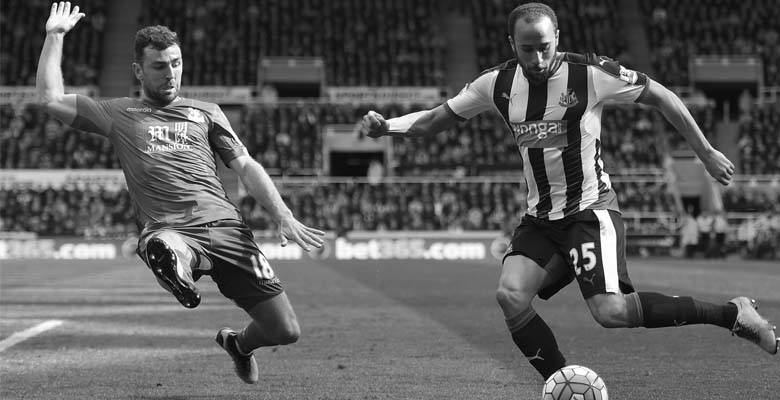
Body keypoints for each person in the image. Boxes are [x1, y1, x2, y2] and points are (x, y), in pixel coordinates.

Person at [362, 2, 778, 380]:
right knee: (510, 295)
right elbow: (436, 119)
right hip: (541, 219)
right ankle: (563, 384)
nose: (537, 57)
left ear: (557, 38)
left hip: (589, 211)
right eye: (527, 49)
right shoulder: (496, 84)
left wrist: (704, 153)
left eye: (544, 46)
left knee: (610, 312)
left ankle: (732, 313)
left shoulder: (589, 74)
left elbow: (662, 96)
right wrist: (390, 127)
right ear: (512, 44)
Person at [36, 2, 325, 384]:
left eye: (176, 63)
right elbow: (50, 99)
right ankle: (180, 263)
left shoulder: (206, 112)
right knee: (167, 244)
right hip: (169, 226)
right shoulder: (118, 113)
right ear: (138, 70)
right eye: (160, 66)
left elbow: (246, 166)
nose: (171, 73)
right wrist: (54, 36)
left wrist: (283, 214)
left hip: (228, 230)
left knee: (286, 330)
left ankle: (237, 343)